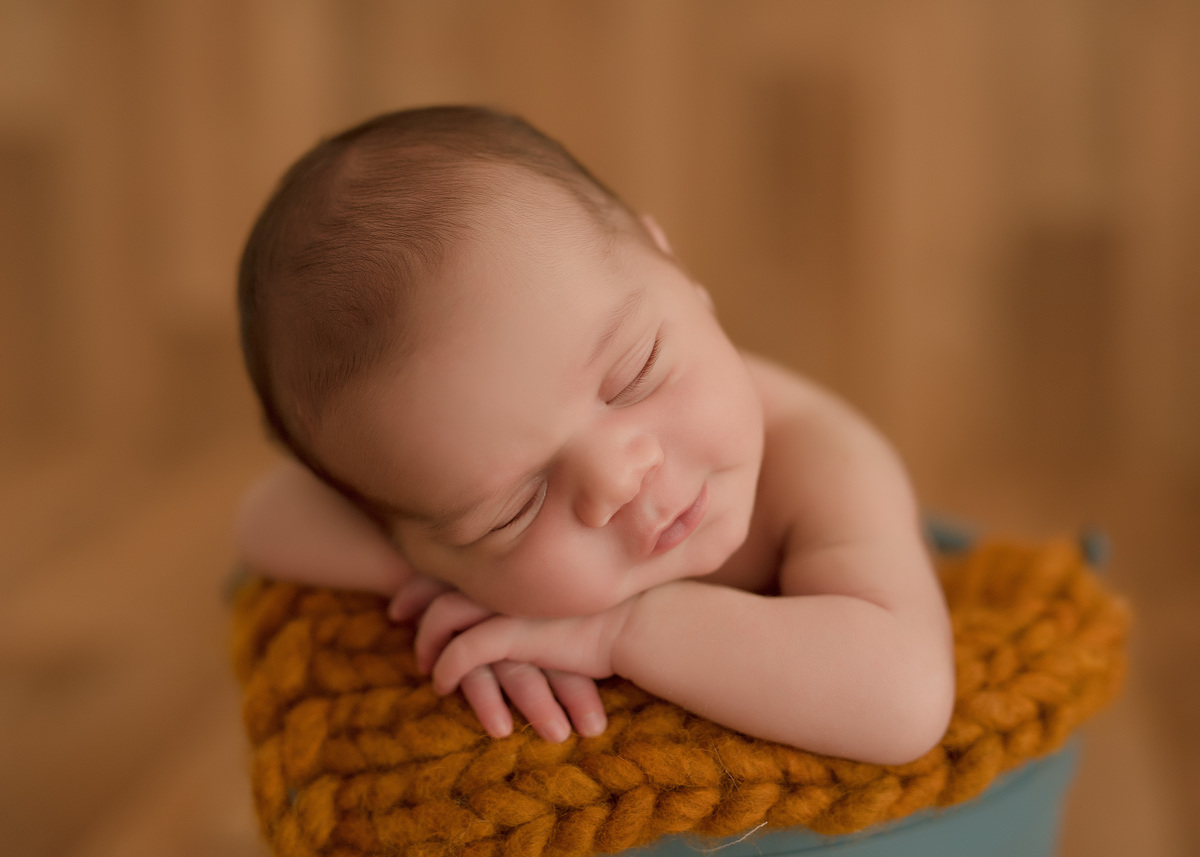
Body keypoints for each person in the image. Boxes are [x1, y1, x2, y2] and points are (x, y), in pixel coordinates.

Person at [235, 106, 954, 765]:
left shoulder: (821, 456)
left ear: (674, 266)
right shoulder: (428, 523)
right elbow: (263, 518)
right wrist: (455, 580)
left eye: (636, 374)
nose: (620, 477)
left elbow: (904, 696)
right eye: (512, 507)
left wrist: (617, 629)